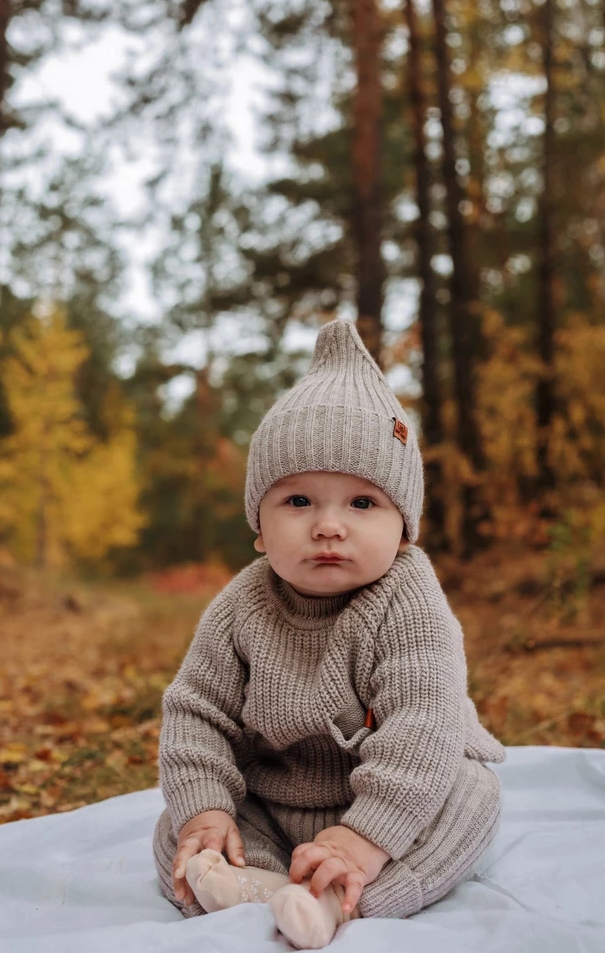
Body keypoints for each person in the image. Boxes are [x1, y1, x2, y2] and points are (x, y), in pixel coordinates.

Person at [152, 318, 506, 949]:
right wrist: (205, 807)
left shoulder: (408, 600)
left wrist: (360, 840)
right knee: (182, 823)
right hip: (277, 797)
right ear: (259, 528)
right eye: (298, 502)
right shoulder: (241, 606)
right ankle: (252, 882)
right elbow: (196, 712)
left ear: (404, 530)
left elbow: (421, 726)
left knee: (471, 796)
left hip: (396, 802)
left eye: (362, 504)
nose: (328, 526)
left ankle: (351, 900)